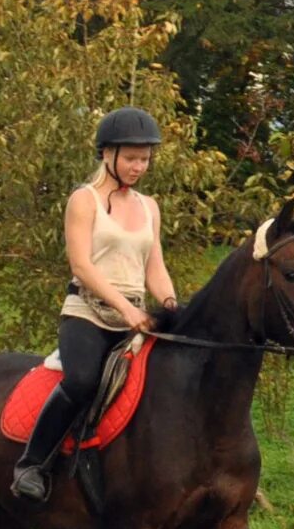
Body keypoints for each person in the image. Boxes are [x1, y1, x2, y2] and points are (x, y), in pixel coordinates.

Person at [10, 106, 180, 504]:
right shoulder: (82, 201)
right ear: (107, 154)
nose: (140, 166)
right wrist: (127, 309)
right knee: (82, 380)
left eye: (145, 159)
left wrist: (172, 307)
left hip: (135, 317)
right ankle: (31, 464)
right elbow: (82, 266)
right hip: (88, 314)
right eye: (132, 158)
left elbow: (154, 266)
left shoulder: (148, 206)